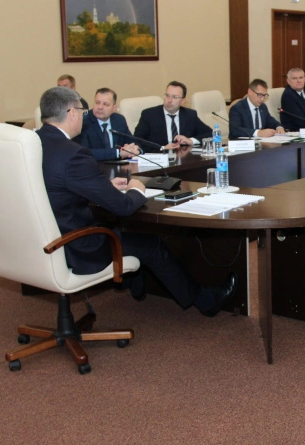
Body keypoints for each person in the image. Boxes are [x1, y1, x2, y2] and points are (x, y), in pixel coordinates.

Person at [36, 86, 236, 316]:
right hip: (77, 246)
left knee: (122, 231)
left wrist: (103, 186)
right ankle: (205, 301)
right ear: (71, 112)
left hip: (43, 241)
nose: (84, 115)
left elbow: (57, 184)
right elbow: (124, 207)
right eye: (83, 111)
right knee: (153, 245)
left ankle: (135, 282)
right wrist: (136, 189)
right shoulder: (73, 153)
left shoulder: (35, 143)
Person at [133, 81, 212, 152]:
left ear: (183, 101)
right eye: (167, 95)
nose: (169, 100)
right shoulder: (149, 115)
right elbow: (137, 139)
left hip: (184, 159)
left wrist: (190, 141)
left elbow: (210, 133)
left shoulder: (190, 115)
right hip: (160, 157)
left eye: (175, 97)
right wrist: (162, 148)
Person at [73, 88, 140, 161]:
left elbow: (134, 143)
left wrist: (136, 149)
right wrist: (118, 153)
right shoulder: (83, 121)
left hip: (118, 166)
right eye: (97, 102)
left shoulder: (119, 120)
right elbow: (84, 153)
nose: (100, 107)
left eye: (105, 104)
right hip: (94, 166)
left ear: (114, 108)